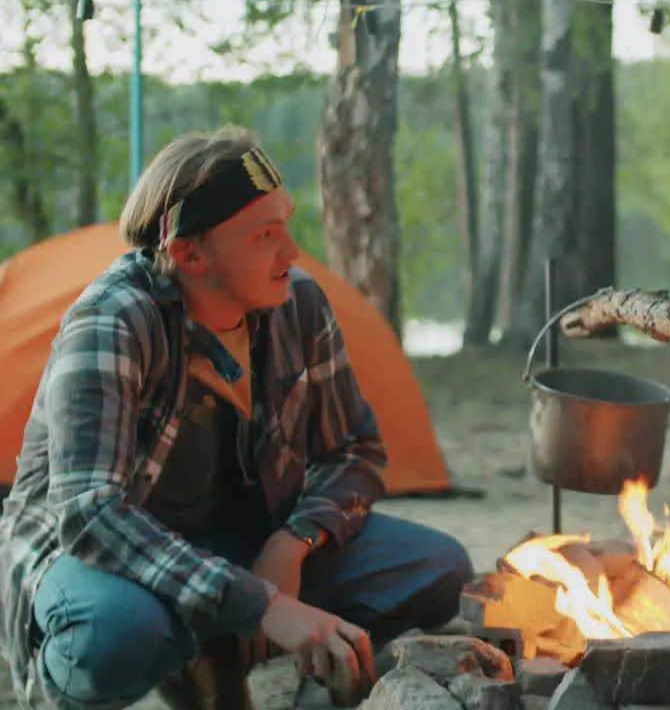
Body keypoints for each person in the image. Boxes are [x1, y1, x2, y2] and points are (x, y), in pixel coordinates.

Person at [0, 125, 475, 710]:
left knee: (437, 566)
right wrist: (260, 603)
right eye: (264, 235)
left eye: (287, 223)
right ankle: (195, 650)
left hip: (242, 539)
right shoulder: (113, 323)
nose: (292, 252)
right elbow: (90, 515)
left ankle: (251, 661)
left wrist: (294, 541)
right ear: (189, 254)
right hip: (108, 559)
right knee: (114, 638)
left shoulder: (297, 303)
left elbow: (355, 448)